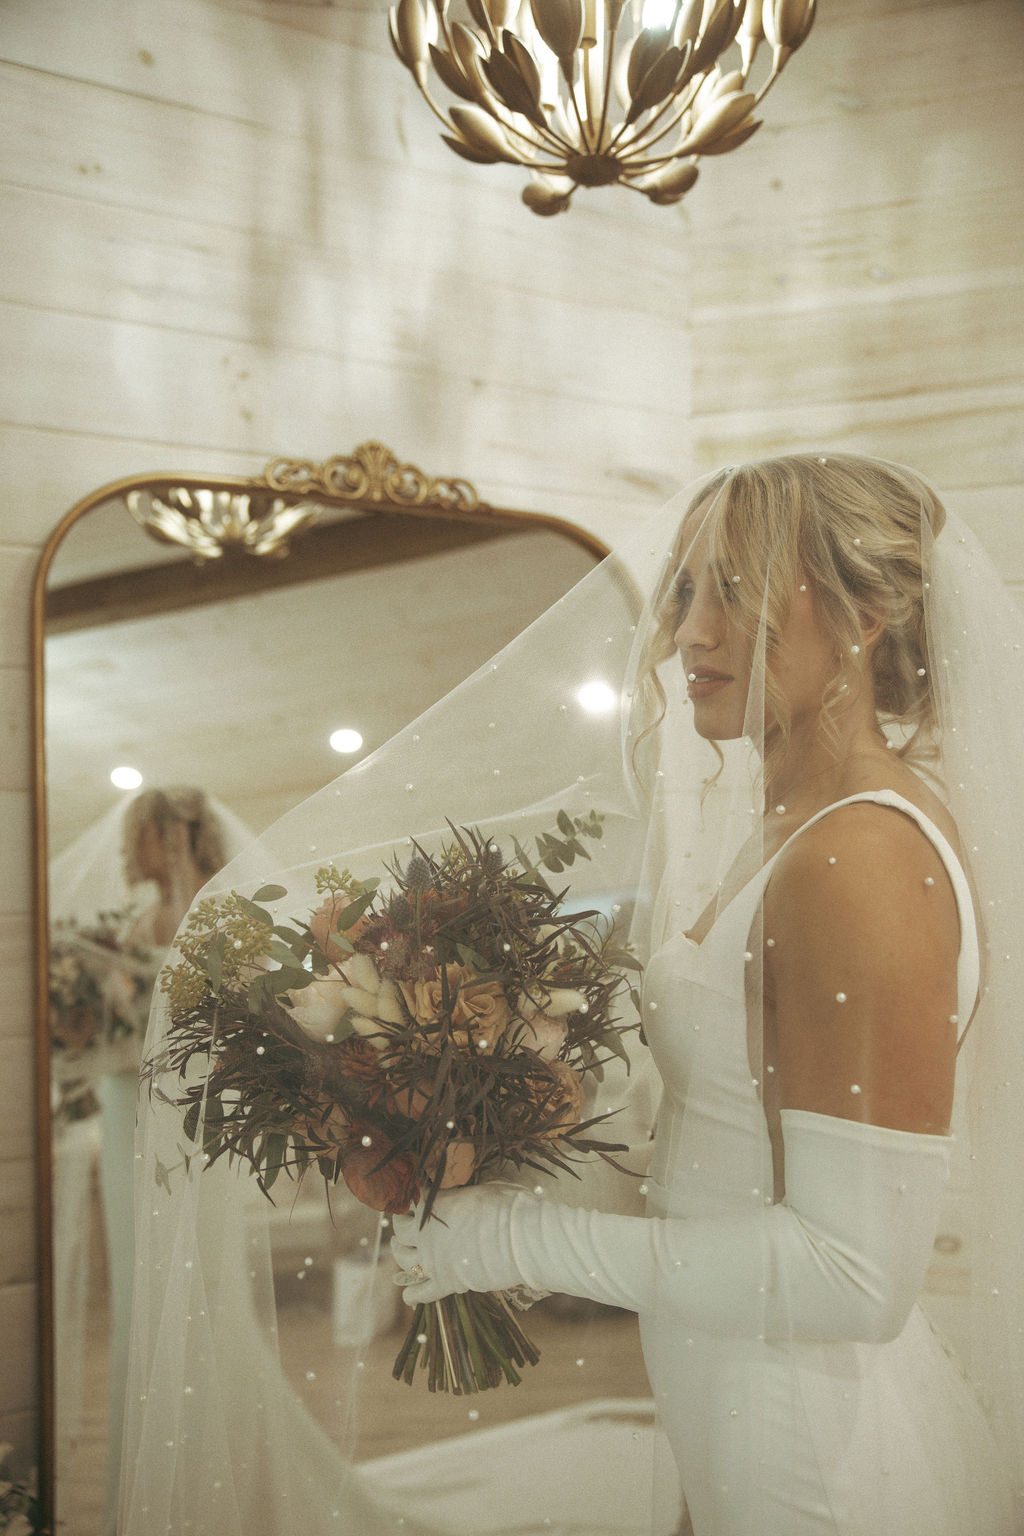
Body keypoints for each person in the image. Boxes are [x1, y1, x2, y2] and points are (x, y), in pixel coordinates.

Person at [122, 457, 1023, 1536]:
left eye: (735, 589)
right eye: (684, 591)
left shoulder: (860, 858)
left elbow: (852, 1278)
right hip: (737, 1408)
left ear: (866, 612)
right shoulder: (786, 837)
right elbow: (727, 1160)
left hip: (814, 1459)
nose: (688, 632)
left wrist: (507, 1243)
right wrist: (487, 1141)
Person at [49, 787, 248, 1536]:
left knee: (200, 1283)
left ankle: (207, 1467)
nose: (126, 854)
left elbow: (235, 1027)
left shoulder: (222, 915)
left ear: (168, 835)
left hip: (188, 1120)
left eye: (137, 837)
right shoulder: (130, 924)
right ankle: (155, 1477)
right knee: (143, 1286)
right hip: (125, 1107)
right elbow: (114, 1018)